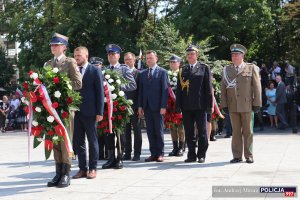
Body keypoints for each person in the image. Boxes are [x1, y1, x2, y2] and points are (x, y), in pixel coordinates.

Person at [45, 33, 82, 188]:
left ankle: (66, 173)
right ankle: (58, 172)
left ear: (64, 47)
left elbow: (78, 83)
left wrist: (62, 87)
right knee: (54, 140)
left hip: (65, 108)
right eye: (52, 45)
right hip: (51, 109)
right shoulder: (47, 63)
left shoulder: (70, 62)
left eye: (56, 45)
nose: (53, 47)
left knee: (65, 140)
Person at [221, 44, 261, 164]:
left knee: (248, 131)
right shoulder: (227, 70)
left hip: (247, 105)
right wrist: (224, 104)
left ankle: (249, 155)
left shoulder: (251, 68)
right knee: (236, 132)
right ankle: (237, 156)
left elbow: (257, 87)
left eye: (236, 55)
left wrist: (257, 103)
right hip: (233, 105)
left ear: (242, 56)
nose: (234, 57)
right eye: (232, 55)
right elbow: (223, 88)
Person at [102, 44, 136, 169]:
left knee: (120, 132)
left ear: (118, 56)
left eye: (114, 54)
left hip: (120, 105)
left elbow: (133, 85)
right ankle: (111, 158)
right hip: (107, 105)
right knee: (109, 132)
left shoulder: (124, 69)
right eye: (109, 54)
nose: (111, 56)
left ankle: (120, 157)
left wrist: (118, 87)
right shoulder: (104, 70)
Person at [176, 45, 213, 163]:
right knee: (189, 131)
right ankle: (191, 155)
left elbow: (208, 88)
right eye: (188, 54)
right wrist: (178, 106)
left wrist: (209, 106)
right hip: (186, 106)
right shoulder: (183, 69)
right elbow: (179, 89)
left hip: (200, 105)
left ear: (197, 55)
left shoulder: (204, 68)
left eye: (192, 54)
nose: (190, 56)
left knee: (202, 132)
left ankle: (201, 154)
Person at [72, 46, 104, 179]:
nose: (76, 58)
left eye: (78, 55)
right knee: (78, 142)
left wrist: (100, 112)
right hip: (76, 112)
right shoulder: (73, 70)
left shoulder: (94, 70)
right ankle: (82, 168)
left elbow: (100, 92)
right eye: (75, 55)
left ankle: (93, 168)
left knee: (92, 141)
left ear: (86, 55)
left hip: (91, 112)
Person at [138, 50, 169, 162]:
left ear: (156, 59)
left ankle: (160, 153)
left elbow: (165, 91)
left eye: (151, 58)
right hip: (147, 107)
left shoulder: (162, 72)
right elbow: (141, 91)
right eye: (147, 58)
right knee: (150, 131)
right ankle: (153, 153)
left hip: (158, 106)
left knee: (158, 130)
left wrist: (163, 106)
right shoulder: (142, 74)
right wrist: (140, 106)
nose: (149, 60)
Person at [122, 52, 142, 161]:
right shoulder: (121, 73)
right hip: (124, 107)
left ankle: (137, 153)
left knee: (137, 130)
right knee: (126, 131)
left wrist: (139, 106)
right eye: (125, 60)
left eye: (129, 59)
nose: (127, 62)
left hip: (135, 107)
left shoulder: (139, 74)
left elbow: (140, 92)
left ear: (134, 60)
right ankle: (127, 152)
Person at [168, 55, 185, 156]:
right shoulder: (167, 74)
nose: (172, 64)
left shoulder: (183, 73)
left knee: (181, 127)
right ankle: (175, 147)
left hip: (181, 105)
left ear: (179, 63)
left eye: (174, 62)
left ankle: (181, 147)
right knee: (172, 127)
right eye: (171, 62)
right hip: (170, 105)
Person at [90, 56, 106, 160]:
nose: (96, 67)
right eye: (94, 65)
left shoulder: (107, 76)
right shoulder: (90, 75)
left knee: (106, 132)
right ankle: (99, 153)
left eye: (98, 65)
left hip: (106, 108)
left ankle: (110, 154)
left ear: (101, 66)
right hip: (94, 109)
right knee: (97, 132)